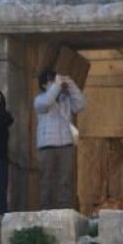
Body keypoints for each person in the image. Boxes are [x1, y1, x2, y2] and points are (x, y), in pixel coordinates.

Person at [34, 69, 86, 210]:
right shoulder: (40, 99)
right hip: (47, 146)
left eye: (56, 81)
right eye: (51, 81)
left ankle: (65, 209)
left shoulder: (66, 100)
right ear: (44, 85)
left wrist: (70, 84)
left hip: (66, 145)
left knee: (65, 180)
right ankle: (46, 209)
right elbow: (46, 103)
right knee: (47, 180)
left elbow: (81, 104)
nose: (55, 84)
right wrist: (56, 87)